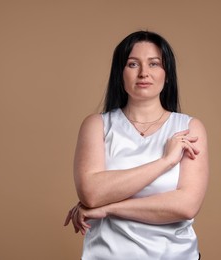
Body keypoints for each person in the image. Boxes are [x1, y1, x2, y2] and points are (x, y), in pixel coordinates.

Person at [64, 30, 209, 260]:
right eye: (133, 64)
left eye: (154, 64)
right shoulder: (96, 125)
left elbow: (186, 206)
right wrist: (165, 162)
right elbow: (91, 193)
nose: (144, 73)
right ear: (119, 74)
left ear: (167, 74)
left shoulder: (189, 128)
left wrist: (108, 208)